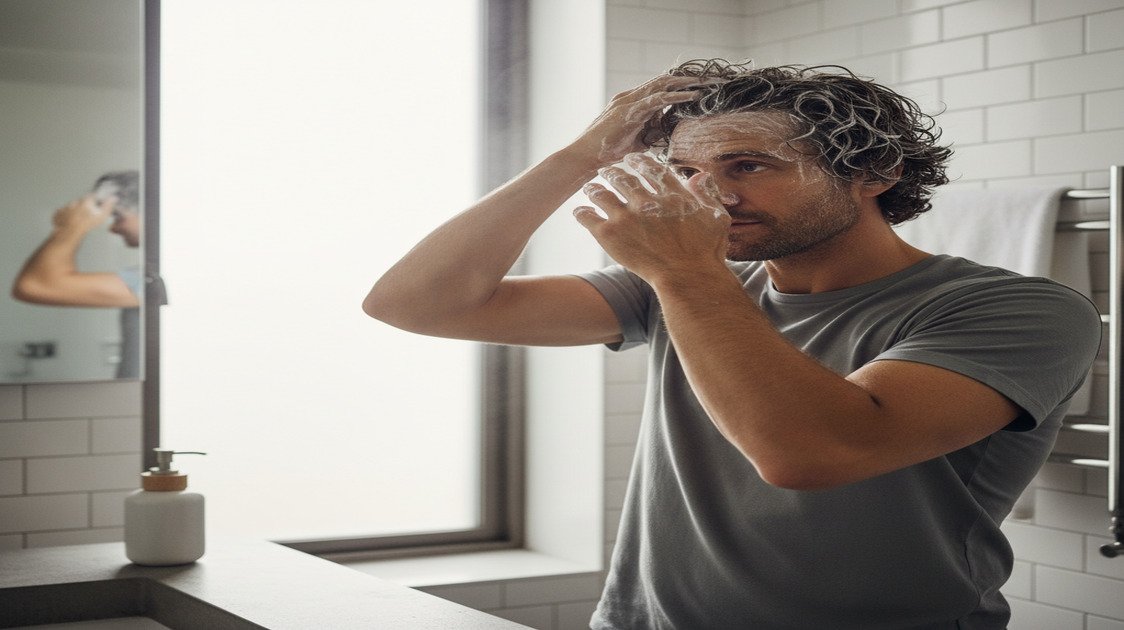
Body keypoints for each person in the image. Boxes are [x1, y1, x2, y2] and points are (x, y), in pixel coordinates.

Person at [362, 61, 1101, 629]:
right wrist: (581, 155)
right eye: (687, 171)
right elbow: (416, 302)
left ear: (875, 172)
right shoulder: (682, 287)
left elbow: (810, 454)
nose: (707, 196)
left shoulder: (1015, 309)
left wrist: (683, 269)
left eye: (747, 166)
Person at [12, 171, 150, 378]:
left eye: (118, 217)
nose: (113, 228)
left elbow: (36, 285)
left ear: (150, 213)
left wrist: (73, 226)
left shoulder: (165, 277)